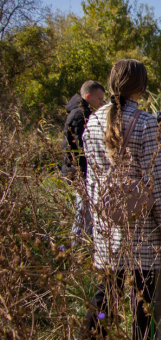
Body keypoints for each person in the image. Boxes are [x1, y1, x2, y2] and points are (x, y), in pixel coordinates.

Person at [81, 59, 161, 340]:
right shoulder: (146, 123)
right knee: (143, 297)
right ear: (141, 86)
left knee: (106, 292)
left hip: (107, 224)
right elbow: (157, 183)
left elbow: (91, 180)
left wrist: (98, 220)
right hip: (143, 227)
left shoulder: (93, 121)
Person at [61, 80, 106, 243]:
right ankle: (78, 247)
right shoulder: (81, 116)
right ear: (88, 96)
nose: (101, 103)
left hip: (80, 171)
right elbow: (83, 147)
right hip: (80, 172)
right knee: (84, 211)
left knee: (85, 210)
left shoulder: (79, 112)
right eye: (99, 99)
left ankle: (82, 244)